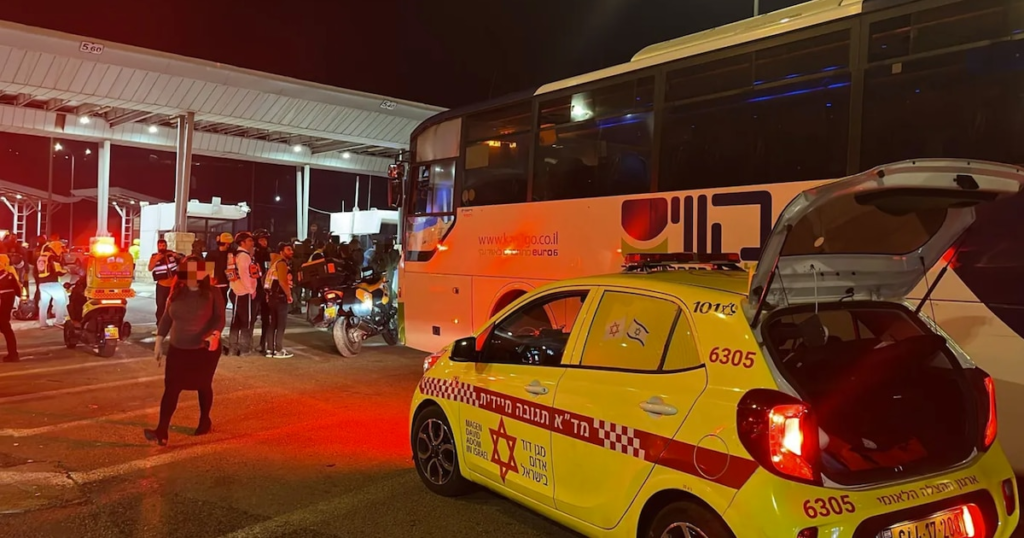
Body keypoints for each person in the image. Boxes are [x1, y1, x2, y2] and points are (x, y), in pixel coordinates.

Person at [144, 257, 226, 446]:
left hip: (204, 349)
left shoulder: (213, 292)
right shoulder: (177, 291)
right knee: (171, 388)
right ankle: (161, 431)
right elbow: (166, 317)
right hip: (178, 348)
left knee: (203, 385)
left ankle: (205, 420)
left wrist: (214, 335)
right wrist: (158, 341)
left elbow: (219, 318)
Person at [226, 232, 259, 356]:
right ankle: (244, 349)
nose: (252, 243)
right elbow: (245, 274)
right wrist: (251, 290)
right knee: (247, 322)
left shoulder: (235, 255)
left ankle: (232, 348)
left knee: (236, 322)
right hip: (245, 293)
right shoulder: (244, 256)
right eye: (249, 240)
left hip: (236, 291)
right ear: (242, 242)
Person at [263, 242, 295, 358]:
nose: (291, 252)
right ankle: (278, 350)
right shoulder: (282, 264)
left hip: (272, 297)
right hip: (280, 298)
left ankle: (269, 350)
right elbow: (282, 281)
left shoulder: (274, 263)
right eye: (288, 249)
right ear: (281, 252)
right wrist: (289, 295)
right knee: (281, 325)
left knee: (272, 324)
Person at [148, 239, 181, 331]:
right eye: (160, 246)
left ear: (166, 246)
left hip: (173, 285)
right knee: (160, 306)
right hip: (161, 286)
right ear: (157, 246)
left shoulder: (171, 254)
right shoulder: (154, 256)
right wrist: (156, 260)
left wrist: (177, 256)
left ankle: (173, 325)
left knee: (174, 306)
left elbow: (182, 260)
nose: (162, 247)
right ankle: (159, 326)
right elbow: (150, 268)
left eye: (163, 245)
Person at [35, 241, 67, 329]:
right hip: (52, 283)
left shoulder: (41, 256)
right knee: (61, 301)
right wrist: (67, 271)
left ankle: (43, 324)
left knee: (44, 304)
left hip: (42, 283)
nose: (61, 252)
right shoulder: (52, 257)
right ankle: (59, 321)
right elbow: (58, 271)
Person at [252, 229, 272, 354]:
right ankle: (246, 344)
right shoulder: (253, 254)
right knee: (252, 317)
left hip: (267, 289)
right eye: (261, 239)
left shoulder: (269, 253)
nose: (264, 242)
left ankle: (263, 344)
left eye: (265, 239)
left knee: (267, 318)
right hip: (255, 289)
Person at [0, 254, 20, 362]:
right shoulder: (10, 275)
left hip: (3, 301)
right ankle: (13, 353)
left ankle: (13, 354)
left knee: (5, 327)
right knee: (6, 328)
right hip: (7, 302)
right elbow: (18, 290)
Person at [205, 232, 233, 304]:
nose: (228, 245)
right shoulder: (212, 254)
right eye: (227, 243)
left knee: (222, 301)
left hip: (225, 282)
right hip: (216, 282)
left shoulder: (230, 253)